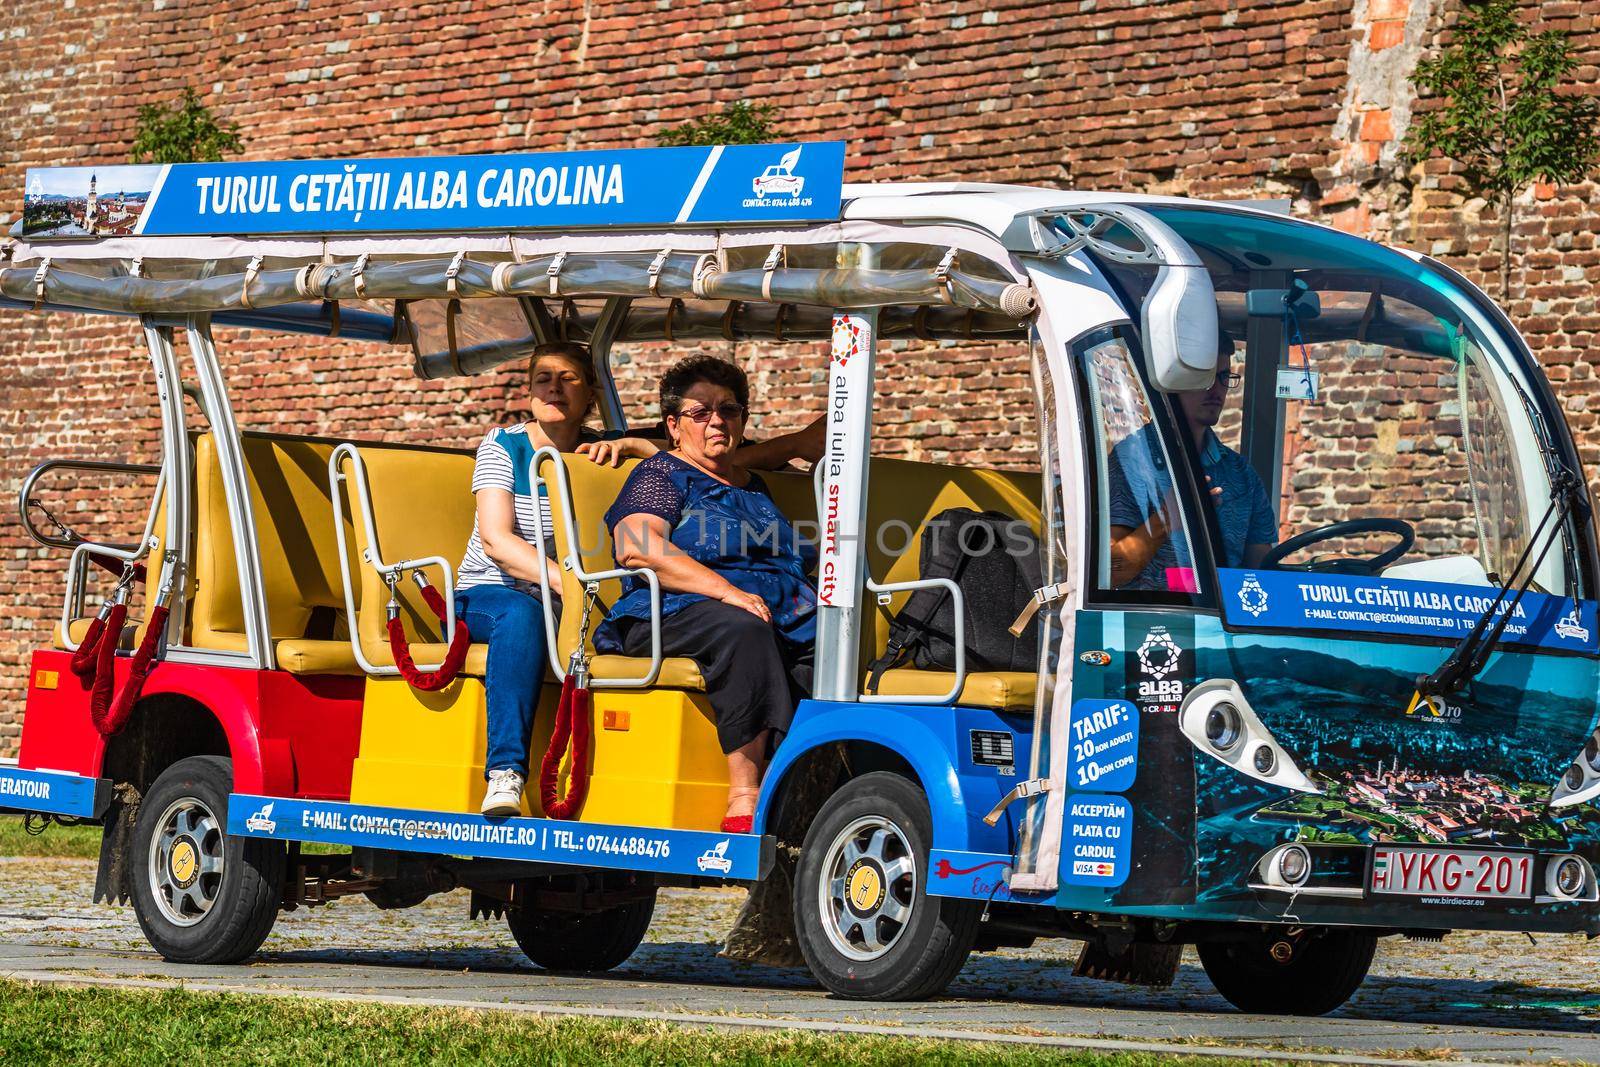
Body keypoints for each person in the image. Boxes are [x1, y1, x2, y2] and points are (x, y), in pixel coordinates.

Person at [595, 356, 817, 833]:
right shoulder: (661, 475)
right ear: (674, 427)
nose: (717, 421)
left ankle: (814, 788)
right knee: (743, 627)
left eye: (730, 410)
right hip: (669, 612)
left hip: (773, 609)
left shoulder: (753, 486)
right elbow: (636, 547)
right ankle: (745, 789)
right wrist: (726, 591)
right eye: (700, 413)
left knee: (834, 643)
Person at [457, 341, 659, 817]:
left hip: (570, 596)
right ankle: (504, 772)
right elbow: (496, 542)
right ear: (528, 390)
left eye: (568, 378)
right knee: (523, 616)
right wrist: (567, 582)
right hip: (490, 593)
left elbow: (676, 466)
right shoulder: (503, 446)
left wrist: (629, 444)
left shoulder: (598, 451)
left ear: (590, 393)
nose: (553, 387)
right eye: (543, 378)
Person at [1108, 331, 1278, 589]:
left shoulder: (1242, 475)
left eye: (1223, 377)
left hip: (1225, 623)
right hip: (1153, 622)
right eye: (1205, 377)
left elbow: (1264, 575)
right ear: (1175, 379)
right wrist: (1169, 517)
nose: (1217, 389)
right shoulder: (1131, 460)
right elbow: (1113, 571)